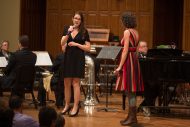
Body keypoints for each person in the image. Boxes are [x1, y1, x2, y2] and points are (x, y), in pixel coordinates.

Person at [114, 12, 144, 126]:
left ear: (125, 21)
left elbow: (125, 50)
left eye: (122, 20)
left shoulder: (127, 32)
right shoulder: (136, 32)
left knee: (130, 90)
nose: (121, 22)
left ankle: (133, 118)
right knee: (131, 90)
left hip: (128, 62)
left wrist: (120, 66)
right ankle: (131, 116)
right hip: (134, 60)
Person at [60, 11, 91, 117]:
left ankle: (75, 106)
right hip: (68, 58)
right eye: (75, 18)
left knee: (76, 83)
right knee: (66, 83)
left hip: (78, 58)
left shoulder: (84, 32)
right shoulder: (67, 29)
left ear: (81, 21)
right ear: (72, 19)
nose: (76, 20)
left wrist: (77, 44)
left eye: (79, 19)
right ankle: (67, 105)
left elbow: (88, 48)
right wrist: (68, 32)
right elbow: (62, 43)